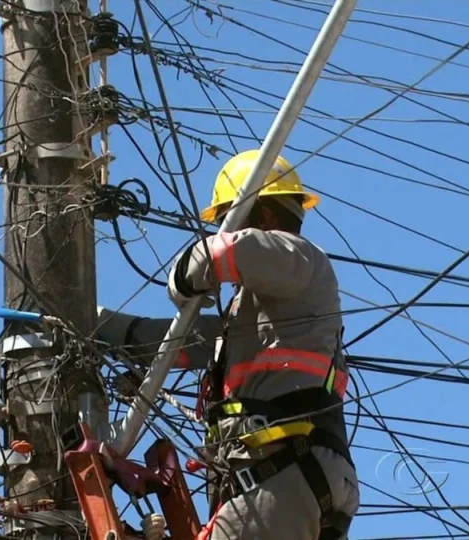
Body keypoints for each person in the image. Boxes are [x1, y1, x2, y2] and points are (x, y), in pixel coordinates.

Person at [96, 150, 360, 540]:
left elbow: (214, 256)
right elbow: (179, 343)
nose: (222, 229)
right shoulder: (265, 315)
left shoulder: (299, 257)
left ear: (264, 216)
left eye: (227, 220)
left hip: (283, 470)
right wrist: (100, 325)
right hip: (290, 476)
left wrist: (183, 280)